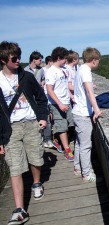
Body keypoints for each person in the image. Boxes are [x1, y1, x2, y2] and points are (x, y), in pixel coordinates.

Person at [0, 41, 48, 225]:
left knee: (36, 157)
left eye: (19, 56)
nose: (18, 60)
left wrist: (42, 117)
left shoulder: (26, 77)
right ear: (4, 60)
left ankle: (36, 183)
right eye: (14, 58)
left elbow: (41, 98)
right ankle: (20, 209)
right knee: (15, 167)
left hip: (30, 123)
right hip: (10, 128)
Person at [72, 47, 103, 182]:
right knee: (85, 145)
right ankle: (86, 174)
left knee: (79, 143)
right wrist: (96, 109)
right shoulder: (85, 71)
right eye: (98, 60)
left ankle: (77, 168)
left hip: (77, 112)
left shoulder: (80, 69)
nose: (99, 62)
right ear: (94, 60)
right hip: (83, 114)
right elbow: (90, 92)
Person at [45, 47, 74, 161]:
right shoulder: (51, 72)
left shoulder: (64, 69)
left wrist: (71, 97)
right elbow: (49, 90)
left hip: (66, 101)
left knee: (70, 123)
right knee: (62, 126)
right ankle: (67, 150)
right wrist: (59, 103)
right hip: (57, 104)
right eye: (64, 59)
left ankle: (56, 139)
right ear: (58, 58)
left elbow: (65, 85)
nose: (66, 61)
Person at [36, 56, 56, 149]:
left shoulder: (46, 70)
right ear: (49, 62)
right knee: (43, 118)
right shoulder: (43, 70)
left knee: (48, 119)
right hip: (41, 97)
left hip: (47, 98)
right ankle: (43, 139)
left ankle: (47, 139)